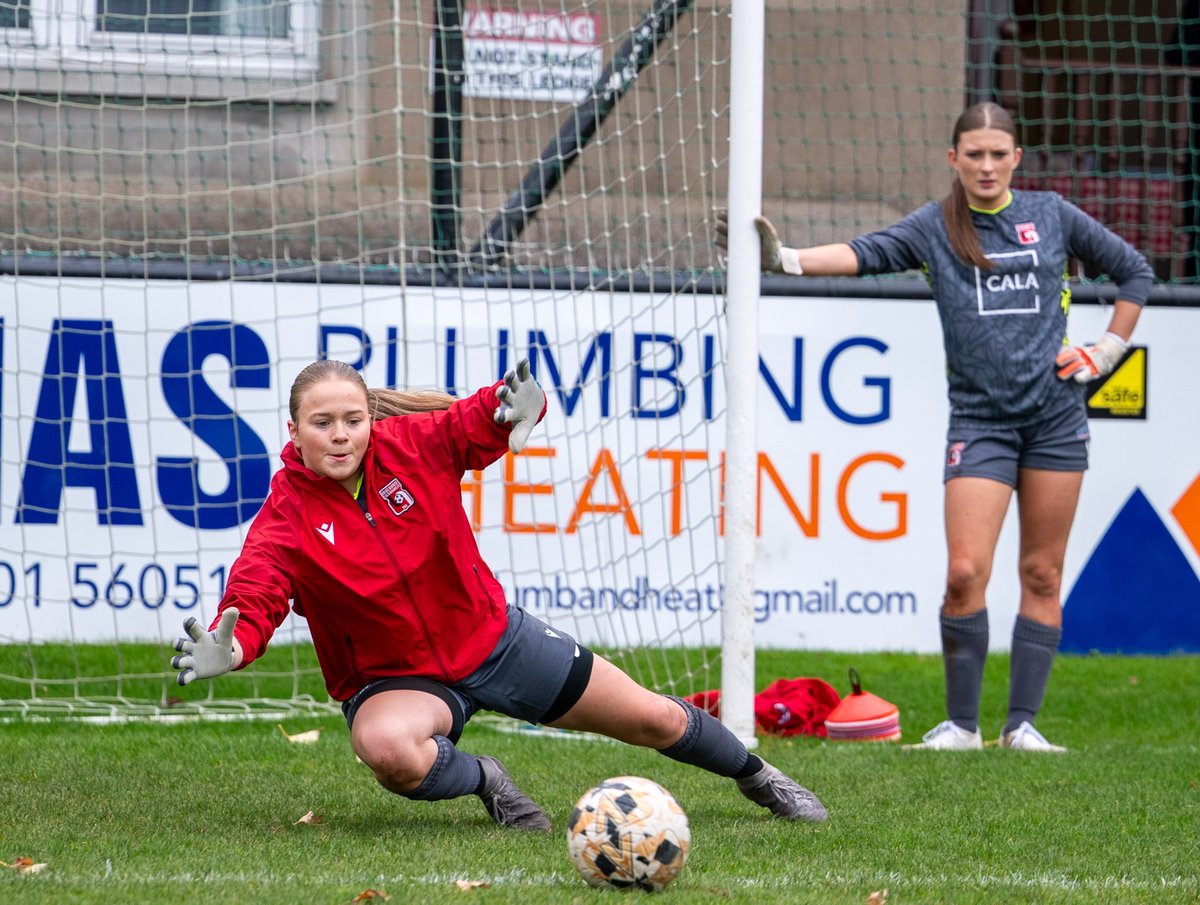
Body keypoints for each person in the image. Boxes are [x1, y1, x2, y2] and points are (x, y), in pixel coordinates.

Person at [170, 357, 828, 828]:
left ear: (371, 419)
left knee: (654, 718)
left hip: (494, 639)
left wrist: (511, 407)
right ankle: (487, 777)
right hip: (395, 677)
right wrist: (232, 649)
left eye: (352, 419)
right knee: (389, 751)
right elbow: (254, 596)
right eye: (322, 423)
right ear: (294, 432)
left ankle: (758, 775)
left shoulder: (411, 444)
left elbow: (468, 424)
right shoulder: (285, 515)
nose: (340, 434)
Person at [718, 101, 1153, 752]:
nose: (985, 165)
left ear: (1017, 159)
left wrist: (1107, 350)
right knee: (963, 571)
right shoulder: (935, 226)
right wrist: (788, 260)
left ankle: (1021, 726)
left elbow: (1136, 274)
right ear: (953, 159)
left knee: (1041, 574)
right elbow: (865, 253)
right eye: (972, 154)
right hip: (980, 421)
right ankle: (961, 726)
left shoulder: (1051, 215)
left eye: (997, 154)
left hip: (1057, 420)